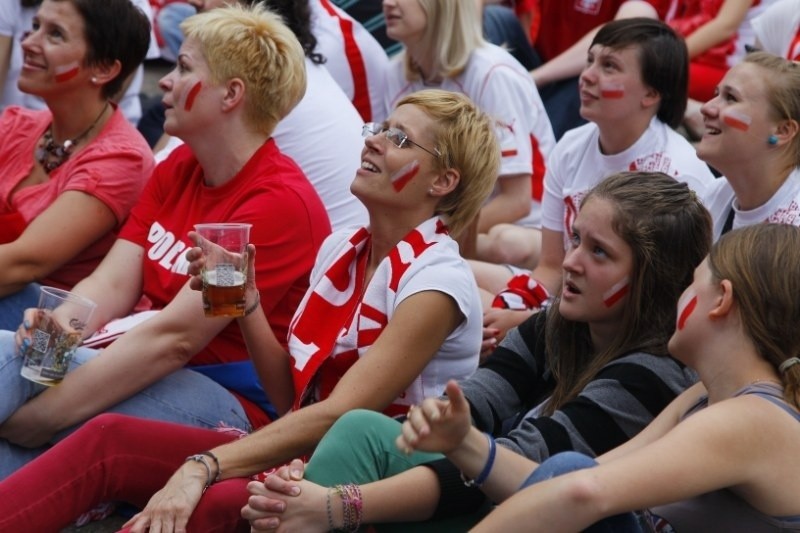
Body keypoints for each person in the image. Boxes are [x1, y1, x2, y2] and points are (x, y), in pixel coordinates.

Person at [0, 88, 500, 532]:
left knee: (216, 502)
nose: (372, 140)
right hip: (298, 444)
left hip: (372, 481)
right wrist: (248, 303)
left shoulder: (437, 279)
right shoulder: (343, 247)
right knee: (106, 436)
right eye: (379, 128)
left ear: (442, 182)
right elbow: (293, 398)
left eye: (400, 139)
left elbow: (342, 415)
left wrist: (204, 465)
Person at [239, 171, 714, 531]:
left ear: (650, 279)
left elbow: (515, 467)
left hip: (522, 505)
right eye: (574, 239)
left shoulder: (654, 375)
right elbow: (464, 411)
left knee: (350, 441)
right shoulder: (557, 325)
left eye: (600, 252)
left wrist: (338, 504)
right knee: (352, 438)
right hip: (483, 491)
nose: (569, 262)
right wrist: (308, 482)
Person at [0, 3, 330, 477]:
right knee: (23, 359)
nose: (166, 82)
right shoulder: (181, 163)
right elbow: (109, 285)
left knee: (11, 360)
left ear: (231, 94)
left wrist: (42, 415)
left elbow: (175, 339)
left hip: (225, 403)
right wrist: (55, 333)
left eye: (184, 67)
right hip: (137, 350)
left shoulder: (277, 203)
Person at [434, 223, 800, 532]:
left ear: (721, 299)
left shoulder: (750, 418)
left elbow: (582, 490)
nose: (569, 262)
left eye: (692, 282)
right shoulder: (703, 396)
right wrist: (467, 443)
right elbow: (561, 483)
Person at [474, 17, 715, 349]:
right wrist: (509, 309)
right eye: (590, 60)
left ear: (651, 94)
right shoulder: (571, 147)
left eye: (609, 66)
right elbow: (551, 268)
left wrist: (528, 324)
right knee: (453, 280)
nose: (587, 76)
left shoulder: (680, 174)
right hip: (571, 302)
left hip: (633, 336)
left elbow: (658, 309)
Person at [0, 0, 154, 331]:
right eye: (36, 26)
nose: (28, 42)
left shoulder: (121, 159)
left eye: (54, 35)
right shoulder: (16, 125)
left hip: (54, 334)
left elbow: (23, 264)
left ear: (104, 70)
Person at [153, 0, 370, 231]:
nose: (194, 1)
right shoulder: (282, 73)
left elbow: (142, 183)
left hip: (323, 254)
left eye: (184, 68)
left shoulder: (264, 90)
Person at [382, 0, 556, 266]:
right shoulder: (393, 73)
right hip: (443, 220)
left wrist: (428, 237)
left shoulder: (492, 73)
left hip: (524, 225)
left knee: (505, 244)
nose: (388, 3)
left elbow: (518, 200)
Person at [699, 51, 800, 239]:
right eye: (716, 94)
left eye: (731, 98)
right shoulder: (716, 194)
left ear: (782, 131)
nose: (706, 108)